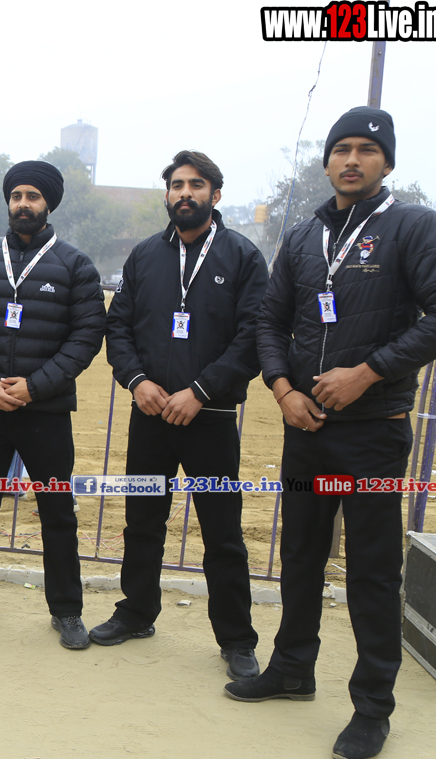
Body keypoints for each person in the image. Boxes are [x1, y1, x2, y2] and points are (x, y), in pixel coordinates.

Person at [227, 107, 436, 759]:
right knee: (301, 555)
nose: (352, 159)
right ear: (328, 160)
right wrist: (283, 389)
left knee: (371, 571)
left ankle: (372, 706)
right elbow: (269, 321)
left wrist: (368, 373)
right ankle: (291, 668)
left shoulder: (414, 226)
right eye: (342, 149)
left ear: (386, 162)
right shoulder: (305, 236)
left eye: (366, 149)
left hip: (372, 437)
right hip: (307, 430)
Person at [98, 151, 268, 680]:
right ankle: (136, 612)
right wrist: (137, 382)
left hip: (209, 417)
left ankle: (236, 639)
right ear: (167, 194)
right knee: (142, 522)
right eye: (176, 185)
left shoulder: (243, 257)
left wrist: (199, 390)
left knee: (222, 532)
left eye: (196, 184)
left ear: (216, 194)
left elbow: (253, 337)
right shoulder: (145, 255)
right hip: (150, 414)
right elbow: (118, 327)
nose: (185, 193)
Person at [0, 160, 105, 648]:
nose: (23, 204)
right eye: (16, 196)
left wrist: (35, 386)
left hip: (46, 412)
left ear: (48, 203)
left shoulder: (76, 266)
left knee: (57, 511)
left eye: (33, 196)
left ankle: (67, 610)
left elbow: (86, 336)